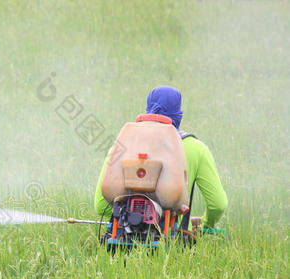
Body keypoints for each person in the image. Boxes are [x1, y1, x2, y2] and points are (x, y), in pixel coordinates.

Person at [94, 85, 228, 231]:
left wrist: (128, 214)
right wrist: (205, 224)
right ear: (178, 115)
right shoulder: (196, 148)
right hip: (176, 239)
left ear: (147, 110)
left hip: (123, 238)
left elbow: (101, 206)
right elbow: (218, 204)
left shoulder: (122, 145)